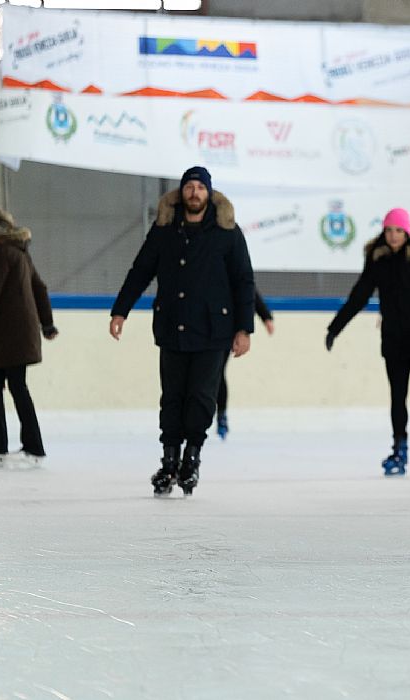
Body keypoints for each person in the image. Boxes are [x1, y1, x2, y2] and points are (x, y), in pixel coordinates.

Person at [110, 166, 255, 496]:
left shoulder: (227, 232)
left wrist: (244, 329)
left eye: (200, 188)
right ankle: (169, 461)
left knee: (202, 400)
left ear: (209, 194)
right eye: (189, 187)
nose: (194, 192)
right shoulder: (164, 231)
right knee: (172, 399)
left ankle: (192, 458)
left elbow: (244, 281)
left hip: (213, 330)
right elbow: (141, 270)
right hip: (172, 327)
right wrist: (121, 310)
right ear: (180, 193)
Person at [326, 208, 410, 475]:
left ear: (408, 232)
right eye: (389, 230)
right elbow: (359, 297)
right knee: (397, 398)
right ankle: (399, 450)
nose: (393, 236)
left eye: (399, 231)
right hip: (395, 341)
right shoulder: (378, 262)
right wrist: (335, 327)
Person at [0, 203, 57, 468]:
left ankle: (28, 449)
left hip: (9, 331)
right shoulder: (15, 249)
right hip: (14, 330)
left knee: (10, 387)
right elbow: (39, 287)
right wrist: (46, 324)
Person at [216, 288, 274, 440]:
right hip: (199, 327)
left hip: (223, 330)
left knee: (217, 372)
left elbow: (248, 290)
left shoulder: (230, 267)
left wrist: (266, 316)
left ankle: (221, 415)